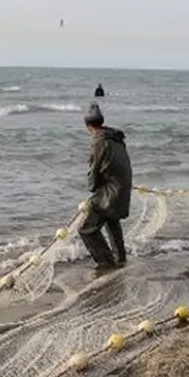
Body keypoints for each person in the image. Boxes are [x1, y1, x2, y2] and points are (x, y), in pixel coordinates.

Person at [79, 103, 132, 269]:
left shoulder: (98, 142)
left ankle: (106, 262)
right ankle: (121, 259)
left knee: (86, 230)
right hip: (122, 189)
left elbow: (94, 172)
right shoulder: (116, 139)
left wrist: (93, 190)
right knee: (112, 222)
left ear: (88, 126)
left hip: (111, 193)